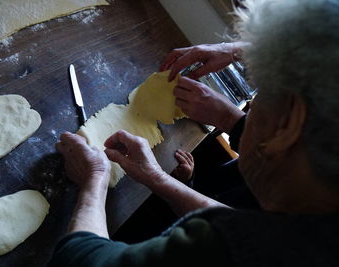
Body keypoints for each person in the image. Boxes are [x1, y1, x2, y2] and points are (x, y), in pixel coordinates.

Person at [49, 0, 339, 266]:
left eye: (256, 101)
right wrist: (242, 51)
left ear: (288, 127)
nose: (248, 107)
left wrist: (94, 180)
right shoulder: (316, 206)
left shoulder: (262, 253)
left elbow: (81, 262)